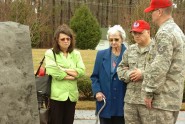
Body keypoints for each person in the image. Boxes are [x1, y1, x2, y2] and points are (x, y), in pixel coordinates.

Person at [142, 0, 185, 123]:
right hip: (172, 98)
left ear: (159, 12)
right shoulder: (178, 31)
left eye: (152, 11)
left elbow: (160, 66)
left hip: (162, 101)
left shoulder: (165, 33)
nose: (151, 15)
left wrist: (149, 92)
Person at [45, 24, 85, 124]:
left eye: (68, 38)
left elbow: (81, 71)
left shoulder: (76, 54)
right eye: (63, 39)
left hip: (71, 96)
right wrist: (72, 74)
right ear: (57, 40)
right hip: (57, 96)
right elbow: (53, 71)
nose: (66, 41)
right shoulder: (50, 53)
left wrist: (63, 69)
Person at [117, 20, 155, 124]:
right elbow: (120, 70)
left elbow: (162, 71)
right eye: (134, 33)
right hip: (130, 101)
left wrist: (142, 74)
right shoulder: (130, 50)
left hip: (149, 101)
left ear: (148, 32)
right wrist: (130, 74)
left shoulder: (157, 49)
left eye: (140, 32)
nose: (136, 35)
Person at [91, 25, 127, 124]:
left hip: (122, 103)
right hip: (105, 102)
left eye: (116, 39)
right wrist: (97, 91)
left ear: (122, 39)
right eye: (111, 40)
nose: (113, 42)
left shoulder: (129, 54)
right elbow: (94, 77)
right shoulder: (101, 54)